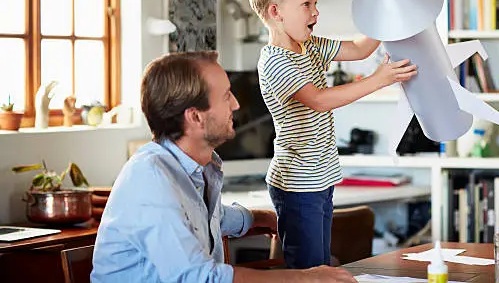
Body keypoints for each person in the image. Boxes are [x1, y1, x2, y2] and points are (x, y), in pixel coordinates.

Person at [91, 51, 357, 283]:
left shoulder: (197, 167)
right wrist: (304, 279)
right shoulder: (149, 177)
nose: (236, 105)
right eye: (226, 96)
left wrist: (261, 218)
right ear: (195, 116)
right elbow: (198, 278)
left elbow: (210, 218)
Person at [247, 0, 418, 269]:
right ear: (276, 12)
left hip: (320, 175)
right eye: (306, 5)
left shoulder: (309, 46)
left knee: (319, 263)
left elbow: (359, 49)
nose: (316, 13)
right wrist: (379, 80)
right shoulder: (275, 61)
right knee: (310, 269)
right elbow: (318, 100)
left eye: (316, 3)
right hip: (298, 181)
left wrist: (385, 17)